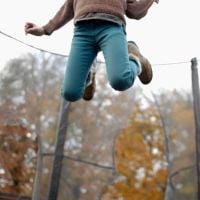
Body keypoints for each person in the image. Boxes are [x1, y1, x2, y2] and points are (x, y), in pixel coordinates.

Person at [25, 0, 159, 102]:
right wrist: (44, 29)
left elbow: (134, 11)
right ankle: (89, 72)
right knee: (70, 93)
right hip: (82, 33)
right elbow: (68, 8)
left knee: (121, 80)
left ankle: (136, 60)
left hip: (111, 27)